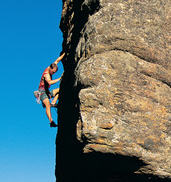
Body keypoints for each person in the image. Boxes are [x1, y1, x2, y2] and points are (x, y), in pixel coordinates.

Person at [35, 53, 65, 127]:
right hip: (41, 92)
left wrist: (65, 53)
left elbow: (58, 60)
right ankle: (51, 122)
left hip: (47, 91)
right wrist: (59, 78)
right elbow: (49, 82)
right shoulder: (46, 74)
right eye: (53, 72)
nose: (54, 73)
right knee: (47, 105)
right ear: (51, 69)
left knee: (60, 90)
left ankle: (53, 103)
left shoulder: (52, 66)